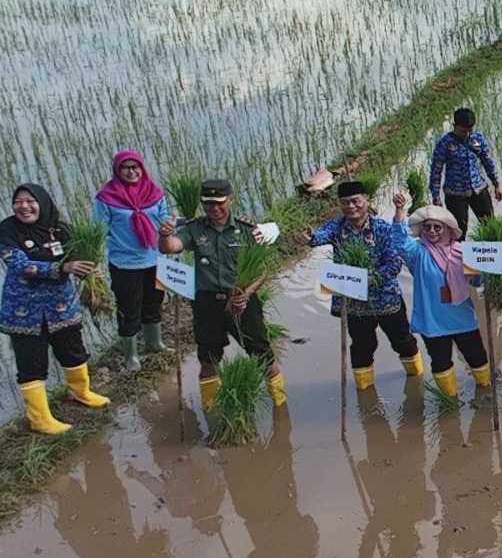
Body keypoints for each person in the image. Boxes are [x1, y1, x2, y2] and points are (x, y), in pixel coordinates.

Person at [157, 179, 286, 409]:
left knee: (262, 356)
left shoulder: (248, 230)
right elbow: (170, 247)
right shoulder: (195, 228)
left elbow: (262, 269)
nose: (214, 209)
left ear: (231, 200)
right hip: (208, 304)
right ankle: (211, 408)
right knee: (208, 359)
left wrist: (246, 294)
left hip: (242, 302)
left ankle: (280, 406)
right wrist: (165, 234)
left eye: (219, 203)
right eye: (208, 204)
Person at [1, 184, 111, 434]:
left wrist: (90, 273)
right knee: (32, 363)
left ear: (43, 202)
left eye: (30, 201)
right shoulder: (8, 230)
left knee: (73, 351)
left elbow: (79, 258)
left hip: (61, 307)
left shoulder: (61, 230)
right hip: (24, 312)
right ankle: (38, 418)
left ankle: (80, 392)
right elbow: (20, 265)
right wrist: (61, 268)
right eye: (18, 201)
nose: (24, 206)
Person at [300, 181, 423, 389]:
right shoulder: (336, 228)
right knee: (361, 348)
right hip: (355, 303)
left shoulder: (383, 229)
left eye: (355, 201)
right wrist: (310, 238)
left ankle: (417, 381)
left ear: (367, 201)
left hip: (386, 300)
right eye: (345, 202)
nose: (350, 206)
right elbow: (319, 237)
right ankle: (364, 390)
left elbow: (394, 264)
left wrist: (369, 279)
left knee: (403, 341)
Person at [391, 200, 489, 398]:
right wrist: (400, 210)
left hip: (462, 317)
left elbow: (477, 281)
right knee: (440, 361)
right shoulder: (417, 254)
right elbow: (400, 242)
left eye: (437, 227)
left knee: (477, 356)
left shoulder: (464, 253)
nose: (432, 231)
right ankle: (449, 400)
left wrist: (484, 272)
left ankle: (486, 390)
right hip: (432, 320)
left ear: (448, 229)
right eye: (428, 227)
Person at [93, 150, 170, 371]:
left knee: (155, 301)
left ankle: (155, 343)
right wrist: (93, 263)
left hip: (155, 259)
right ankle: (131, 355)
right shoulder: (107, 197)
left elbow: (163, 216)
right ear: (117, 170)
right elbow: (97, 231)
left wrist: (170, 225)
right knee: (128, 308)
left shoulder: (154, 192)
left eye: (135, 167)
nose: (131, 172)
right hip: (125, 264)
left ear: (142, 168)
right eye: (125, 168)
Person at [429, 107, 502, 236]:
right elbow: (436, 170)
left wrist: (496, 184)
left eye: (470, 130)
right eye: (463, 131)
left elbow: (488, 161)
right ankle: (459, 255)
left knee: (490, 226)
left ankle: (493, 254)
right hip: (455, 194)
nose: (468, 134)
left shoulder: (477, 139)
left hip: (478, 189)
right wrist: (436, 196)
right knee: (459, 231)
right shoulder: (445, 144)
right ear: (455, 126)